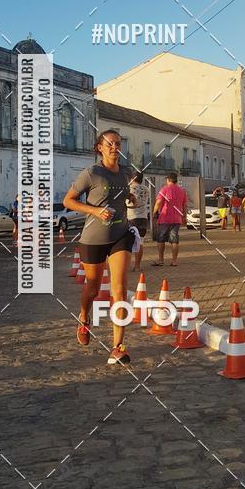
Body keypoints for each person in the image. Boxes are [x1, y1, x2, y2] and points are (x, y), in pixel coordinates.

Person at [63, 129, 136, 365]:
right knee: (93, 288)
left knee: (120, 289)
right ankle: (84, 318)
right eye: (111, 143)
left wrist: (130, 199)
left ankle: (118, 347)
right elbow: (68, 201)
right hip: (93, 238)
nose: (115, 147)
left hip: (120, 235)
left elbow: (123, 196)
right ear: (100, 148)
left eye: (118, 143)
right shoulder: (91, 173)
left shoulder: (126, 173)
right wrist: (95, 210)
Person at [152, 172, 187, 267]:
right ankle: (174, 261)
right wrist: (184, 217)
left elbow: (158, 202)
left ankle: (161, 260)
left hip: (165, 218)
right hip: (177, 219)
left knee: (161, 239)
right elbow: (185, 205)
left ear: (168, 180)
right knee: (174, 240)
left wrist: (154, 212)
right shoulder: (182, 191)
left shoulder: (164, 189)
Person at [127, 171, 150, 271]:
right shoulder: (146, 189)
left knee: (128, 243)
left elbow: (128, 203)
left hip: (131, 218)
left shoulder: (129, 189)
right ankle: (137, 266)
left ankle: (125, 265)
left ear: (131, 178)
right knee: (140, 242)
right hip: (143, 218)